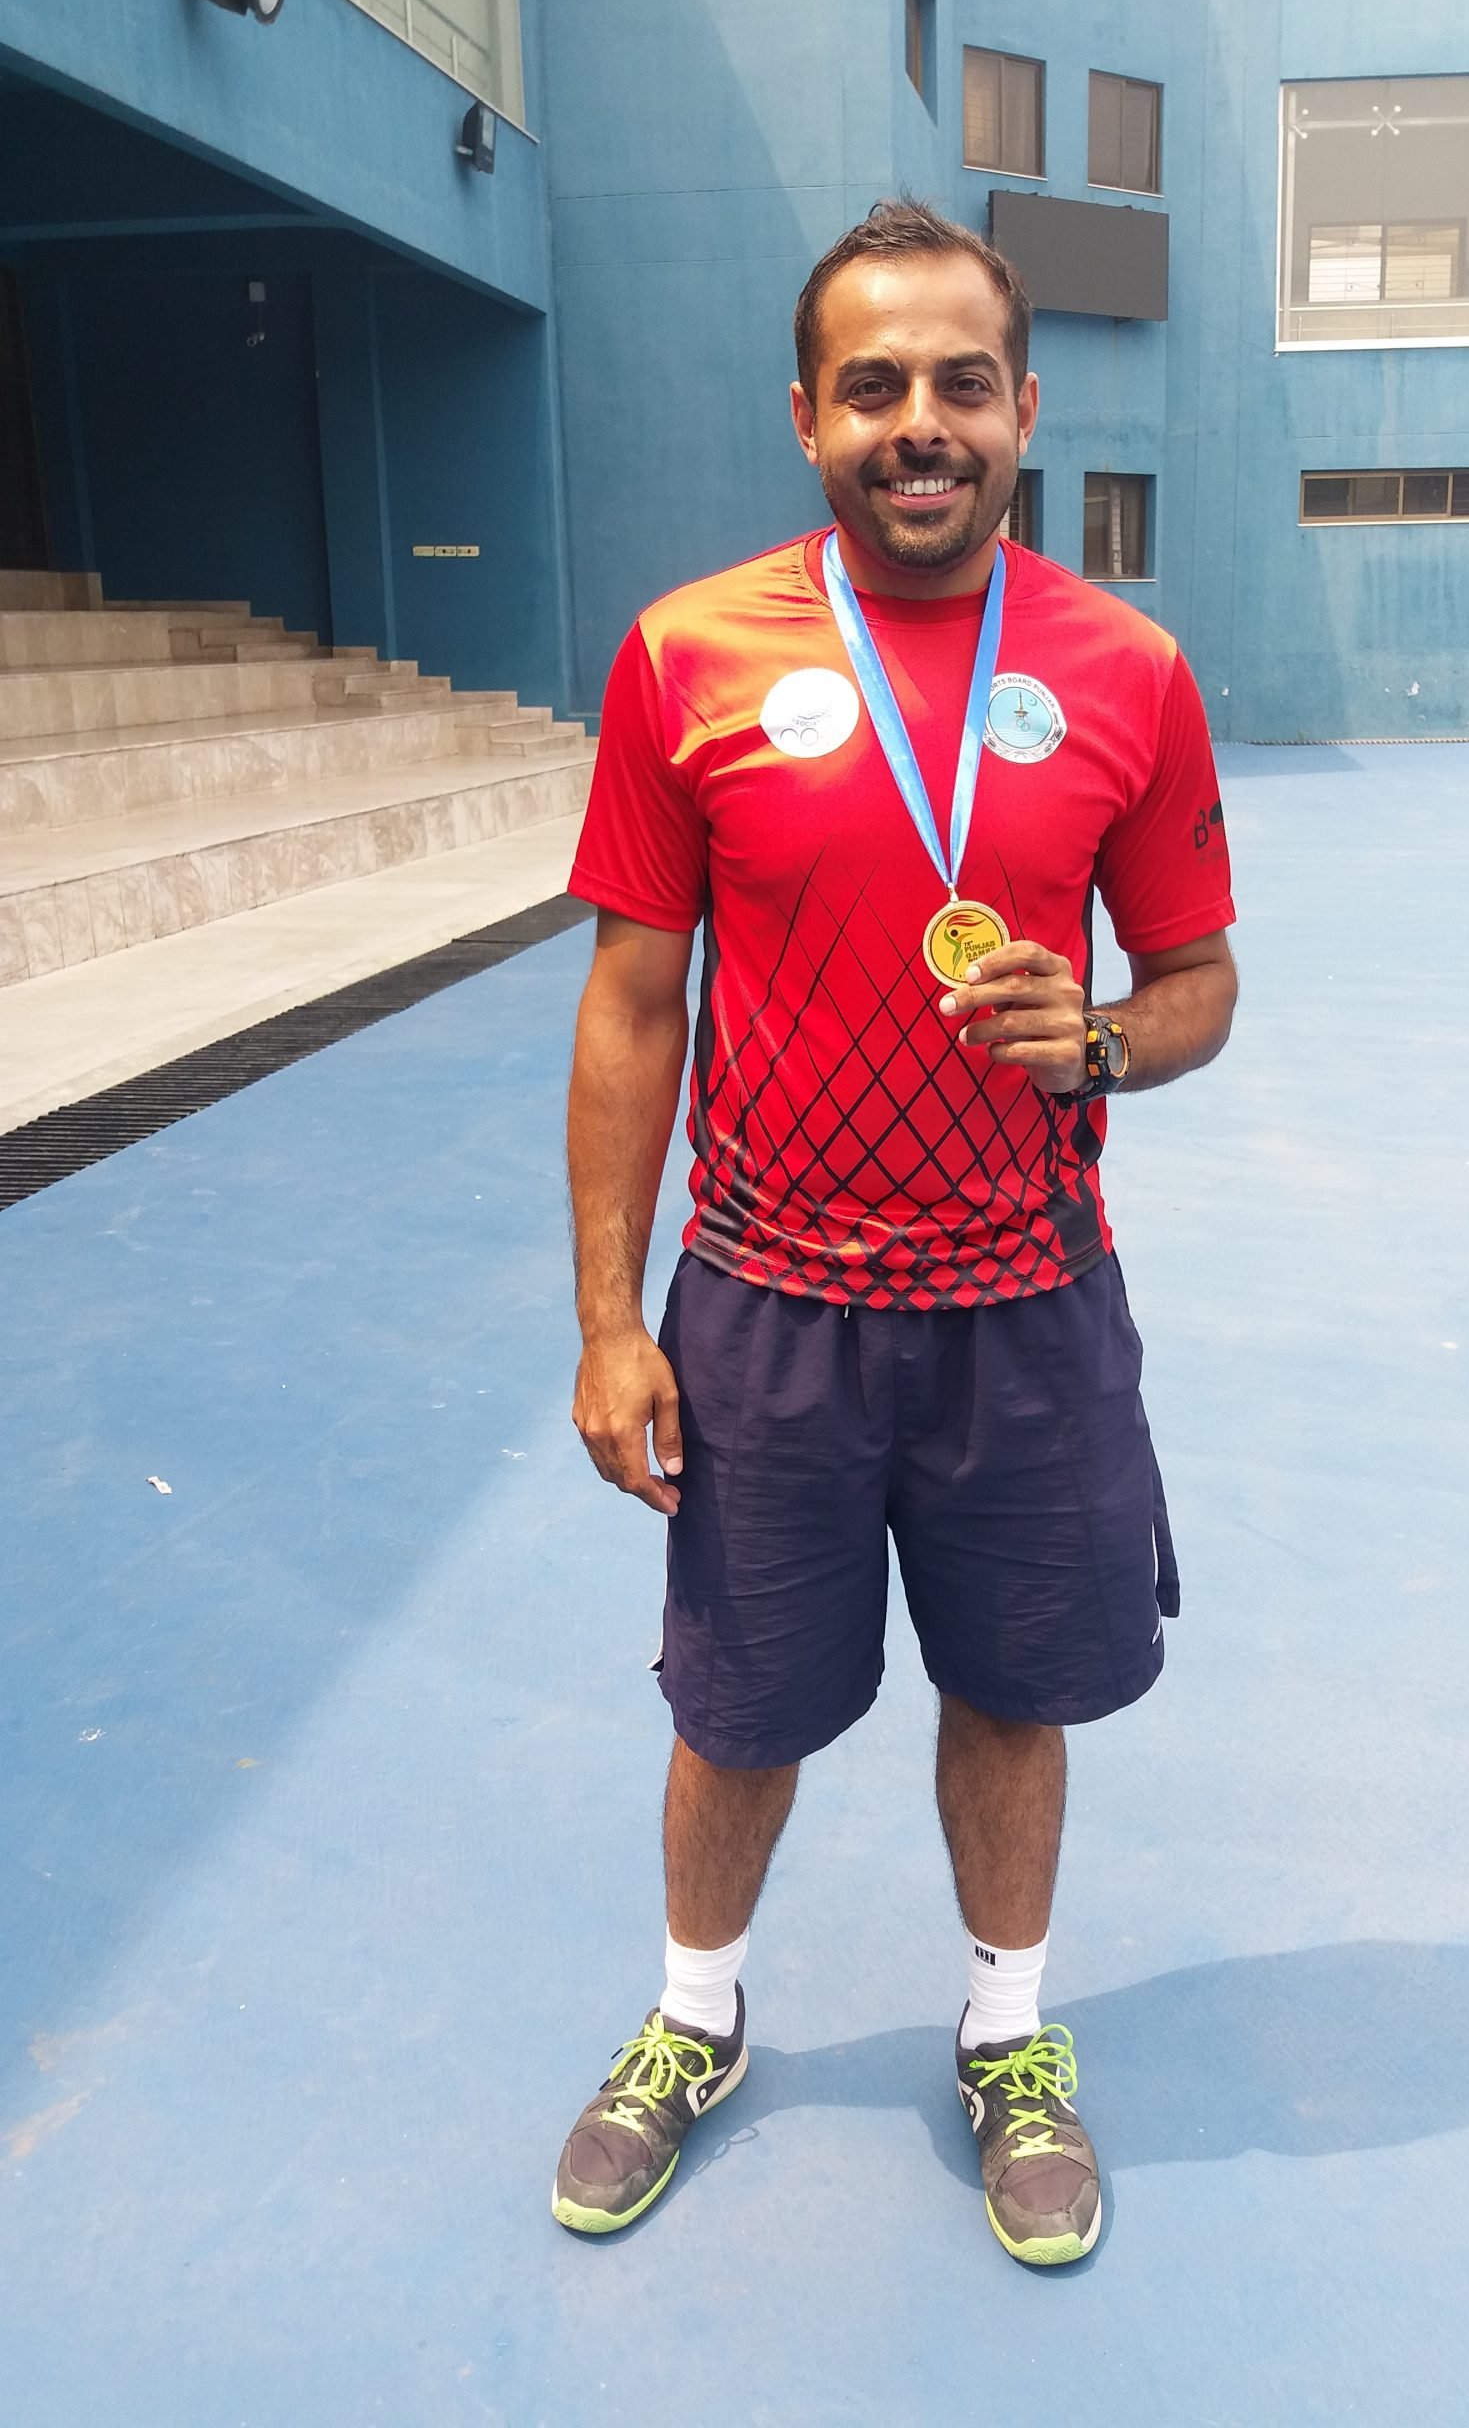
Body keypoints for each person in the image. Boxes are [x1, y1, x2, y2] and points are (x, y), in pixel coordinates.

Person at [552, 197, 1237, 2267]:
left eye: (959, 383)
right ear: (807, 414)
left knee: (1015, 1686)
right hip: (763, 1300)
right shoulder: (691, 652)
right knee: (734, 1700)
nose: (918, 423)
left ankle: (1008, 2031)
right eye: (875, 387)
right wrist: (607, 1315)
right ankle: (698, 2014)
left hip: (1026, 1298)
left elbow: (1199, 979)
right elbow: (630, 1000)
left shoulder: (1128, 669)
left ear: (1023, 410)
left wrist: (1103, 1034)